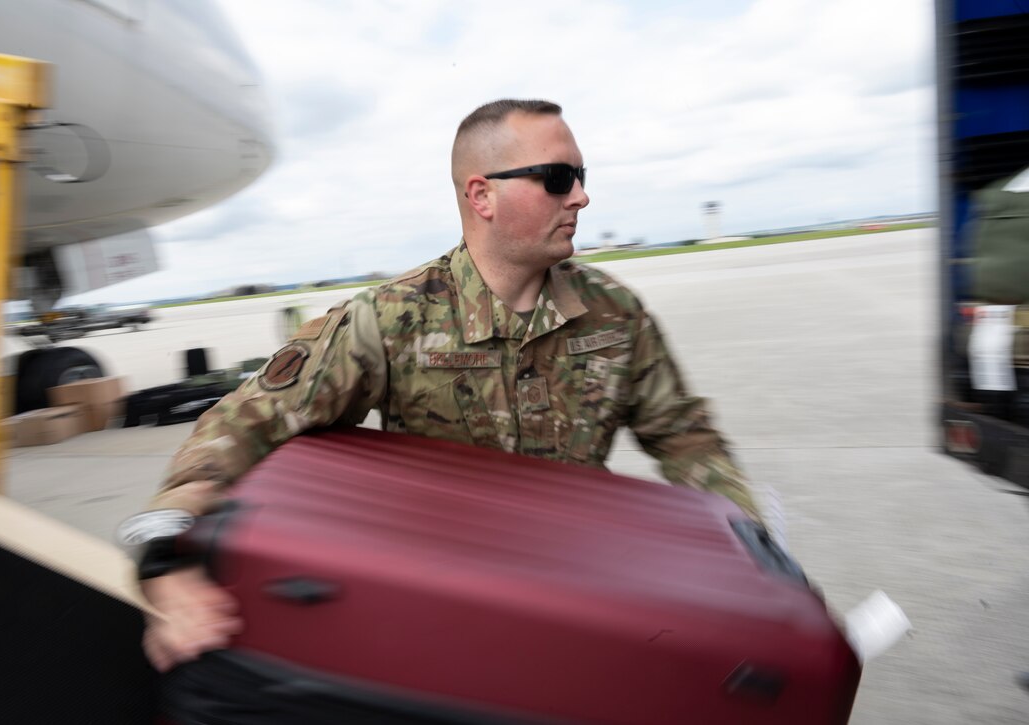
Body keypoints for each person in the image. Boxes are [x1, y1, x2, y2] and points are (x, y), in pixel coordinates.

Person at [129, 99, 763, 672]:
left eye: (583, 178)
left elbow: (686, 439)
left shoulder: (615, 316)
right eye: (557, 179)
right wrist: (166, 552)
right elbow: (249, 420)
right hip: (441, 624)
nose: (581, 199)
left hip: (576, 613)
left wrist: (756, 558)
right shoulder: (392, 319)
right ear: (481, 196)